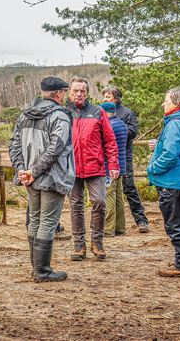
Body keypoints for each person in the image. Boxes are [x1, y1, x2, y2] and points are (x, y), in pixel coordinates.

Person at [9, 77, 75, 282]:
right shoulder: (60, 116)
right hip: (52, 176)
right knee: (47, 221)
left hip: (30, 176)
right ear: (59, 94)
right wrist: (33, 171)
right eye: (64, 92)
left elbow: (14, 144)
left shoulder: (25, 114)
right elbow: (56, 148)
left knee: (35, 219)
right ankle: (42, 270)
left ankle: (36, 268)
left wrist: (22, 169)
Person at [147, 87, 180, 278]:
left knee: (176, 225)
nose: (164, 103)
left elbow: (170, 154)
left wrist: (153, 168)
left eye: (167, 100)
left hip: (174, 183)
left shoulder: (175, 123)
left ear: (176, 103)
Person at [66, 77, 120, 261]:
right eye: (75, 90)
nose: (79, 94)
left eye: (82, 91)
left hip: (95, 166)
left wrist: (113, 164)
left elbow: (110, 140)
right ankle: (79, 246)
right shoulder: (64, 113)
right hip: (71, 168)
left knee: (99, 202)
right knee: (76, 206)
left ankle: (97, 243)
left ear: (87, 93)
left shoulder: (98, 112)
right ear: (69, 92)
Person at [103, 85, 149, 233]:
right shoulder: (101, 112)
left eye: (108, 96)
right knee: (111, 192)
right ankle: (116, 224)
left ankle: (141, 220)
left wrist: (115, 129)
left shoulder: (126, 113)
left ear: (116, 98)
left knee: (129, 187)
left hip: (124, 155)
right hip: (107, 158)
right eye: (104, 96)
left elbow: (133, 131)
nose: (105, 99)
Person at [100, 102, 128, 237]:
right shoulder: (121, 124)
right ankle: (120, 226)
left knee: (108, 197)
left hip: (109, 167)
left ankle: (108, 228)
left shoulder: (109, 125)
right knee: (118, 197)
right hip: (120, 166)